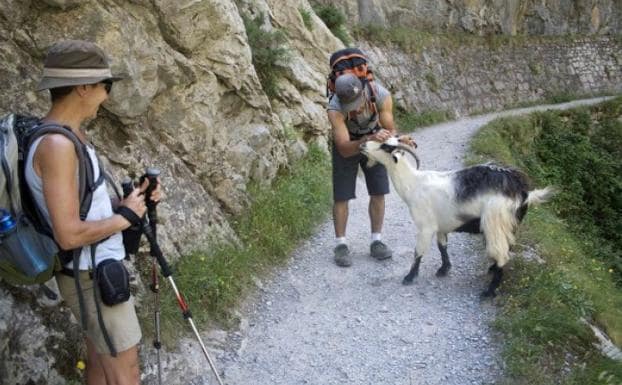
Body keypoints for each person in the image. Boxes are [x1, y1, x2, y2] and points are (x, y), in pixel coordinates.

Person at [26, 40, 160, 385]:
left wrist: (134, 201)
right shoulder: (57, 145)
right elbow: (68, 233)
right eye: (106, 85)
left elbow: (83, 208)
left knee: (101, 365)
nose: (107, 94)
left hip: (92, 271)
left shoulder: (71, 137)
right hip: (90, 275)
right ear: (84, 87)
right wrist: (126, 217)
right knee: (125, 373)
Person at [327, 66, 414, 267]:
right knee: (342, 194)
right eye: (351, 106)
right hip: (350, 144)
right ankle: (340, 245)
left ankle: (377, 241)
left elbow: (390, 129)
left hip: (375, 140)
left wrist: (394, 138)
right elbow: (344, 149)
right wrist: (367, 139)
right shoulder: (335, 108)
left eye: (357, 104)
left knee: (379, 190)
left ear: (364, 92)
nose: (355, 109)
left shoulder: (381, 96)